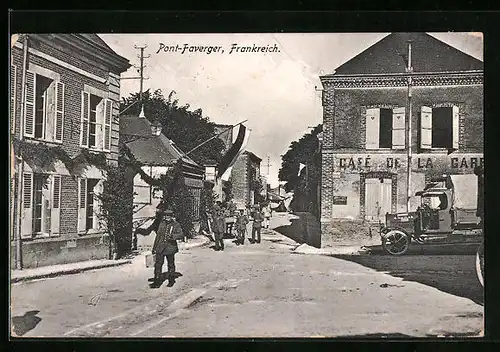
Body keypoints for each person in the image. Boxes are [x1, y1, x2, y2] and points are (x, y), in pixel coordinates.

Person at [136, 207, 180, 288]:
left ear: (172, 216)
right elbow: (153, 234)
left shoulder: (175, 224)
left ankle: (171, 280)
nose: (167, 217)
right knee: (158, 265)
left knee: (171, 264)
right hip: (160, 247)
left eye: (169, 215)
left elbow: (180, 235)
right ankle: (157, 282)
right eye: (166, 215)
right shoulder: (160, 223)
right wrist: (154, 248)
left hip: (170, 248)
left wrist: (173, 236)